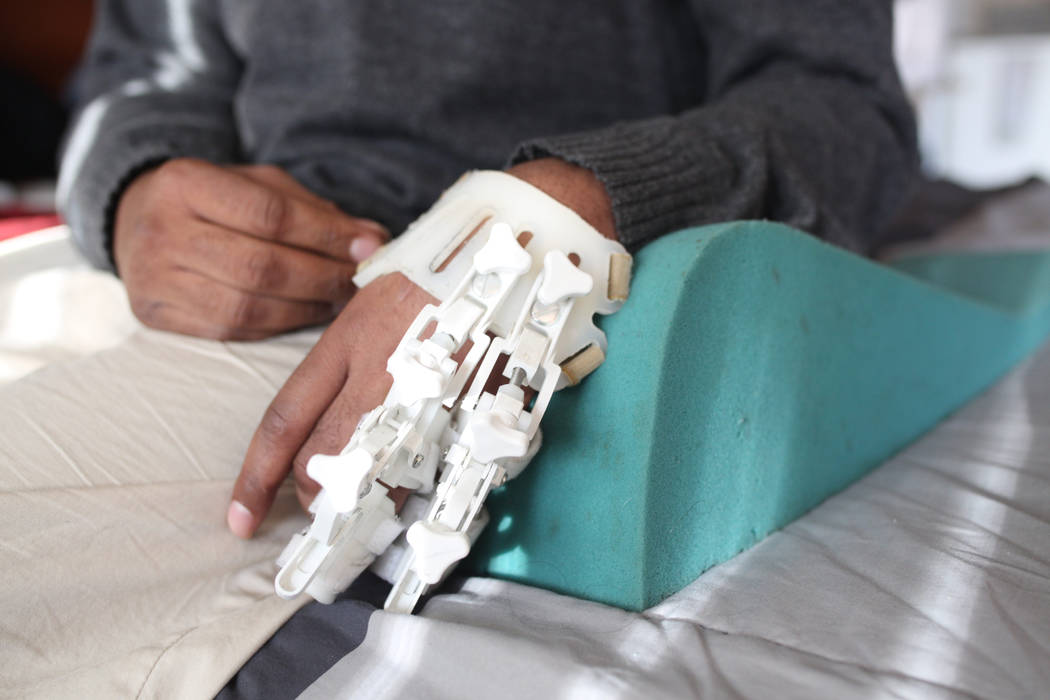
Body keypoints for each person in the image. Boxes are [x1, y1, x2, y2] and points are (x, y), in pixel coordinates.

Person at [2, 1, 917, 695]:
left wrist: (565, 205)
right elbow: (137, 74)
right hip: (233, 272)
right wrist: (133, 187)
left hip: (544, 290)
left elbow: (846, 109)